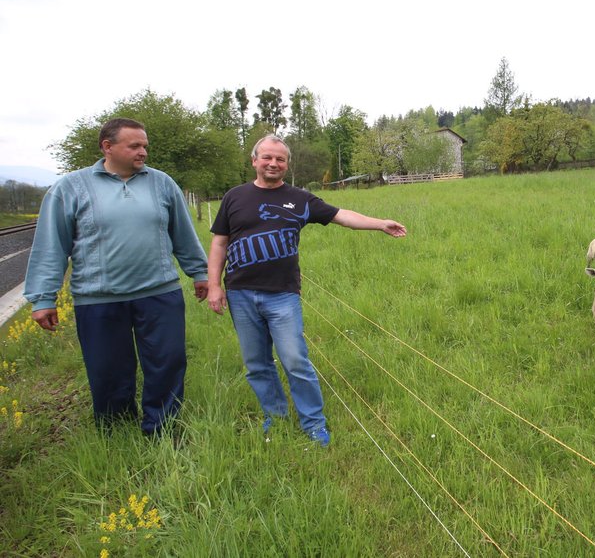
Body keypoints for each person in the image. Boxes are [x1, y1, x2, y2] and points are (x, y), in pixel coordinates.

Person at [207, 134, 406, 447]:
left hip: (282, 294)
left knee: (295, 361)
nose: (274, 163)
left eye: (280, 159)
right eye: (267, 158)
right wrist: (214, 285)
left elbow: (343, 216)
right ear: (254, 161)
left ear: (287, 163)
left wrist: (380, 223)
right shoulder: (234, 197)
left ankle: (314, 424)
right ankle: (277, 418)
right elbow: (220, 242)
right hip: (240, 293)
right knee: (257, 364)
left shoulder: (300, 199)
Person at [24, 118, 209, 435]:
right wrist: (43, 297)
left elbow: (183, 233)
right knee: (108, 370)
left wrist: (200, 272)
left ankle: (162, 426)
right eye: (134, 146)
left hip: (159, 293)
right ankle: (117, 430)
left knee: (167, 361)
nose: (143, 152)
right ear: (107, 147)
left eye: (145, 146)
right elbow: (50, 245)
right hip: (98, 299)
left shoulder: (162, 184)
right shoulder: (70, 188)